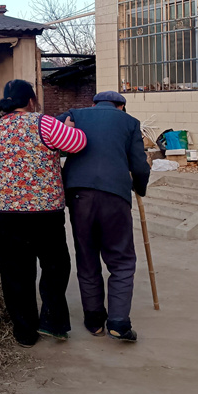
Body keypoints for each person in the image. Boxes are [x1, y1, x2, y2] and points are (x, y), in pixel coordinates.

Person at [0, 79, 87, 347]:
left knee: (15, 272)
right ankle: (52, 321)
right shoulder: (44, 123)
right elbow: (79, 143)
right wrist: (69, 129)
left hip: (6, 211)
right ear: (31, 100)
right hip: (44, 211)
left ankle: (25, 332)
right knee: (56, 265)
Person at [58, 90, 150, 342]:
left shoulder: (75, 115)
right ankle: (118, 323)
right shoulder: (130, 122)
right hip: (114, 196)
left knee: (87, 257)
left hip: (79, 195)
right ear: (121, 106)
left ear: (94, 103)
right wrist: (139, 187)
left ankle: (94, 320)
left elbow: (48, 132)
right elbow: (140, 165)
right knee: (121, 260)